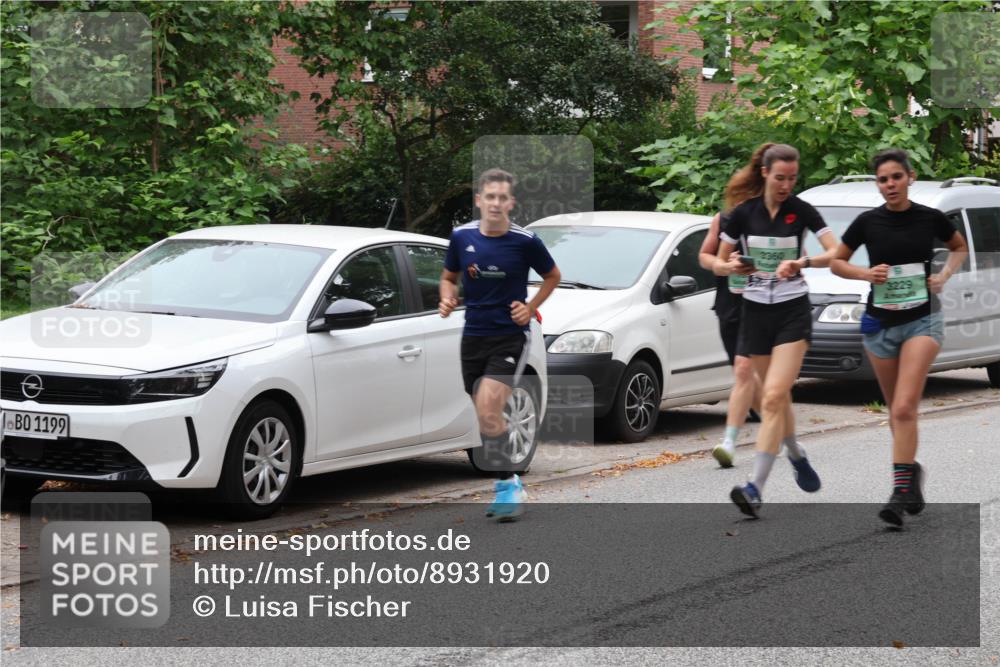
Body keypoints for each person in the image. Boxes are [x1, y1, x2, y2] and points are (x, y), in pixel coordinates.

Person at [829, 148, 968, 527]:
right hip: (880, 325)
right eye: (883, 180)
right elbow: (837, 262)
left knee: (905, 407)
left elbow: (959, 248)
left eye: (896, 177)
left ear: (910, 177)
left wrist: (943, 276)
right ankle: (911, 473)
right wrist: (865, 275)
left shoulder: (930, 218)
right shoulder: (867, 222)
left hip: (923, 320)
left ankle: (899, 491)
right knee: (896, 412)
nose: (890, 185)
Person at [715, 143, 839, 517]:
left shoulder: (801, 211)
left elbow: (836, 252)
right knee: (778, 400)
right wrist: (733, 265)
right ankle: (797, 453)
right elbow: (717, 260)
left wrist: (803, 261)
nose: (787, 185)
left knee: (771, 397)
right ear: (765, 173)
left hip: (792, 312)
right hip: (754, 312)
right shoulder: (743, 215)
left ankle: (755, 487)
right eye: (781, 178)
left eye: (793, 179)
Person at [439, 168, 561, 522]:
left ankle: (508, 484)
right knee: (483, 412)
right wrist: (447, 298)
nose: (495, 203)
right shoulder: (461, 237)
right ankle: (507, 480)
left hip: (510, 336)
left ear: (511, 203)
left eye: (501, 198)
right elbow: (449, 277)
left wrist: (531, 307)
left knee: (490, 406)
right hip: (473, 334)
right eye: (489, 197)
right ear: (479, 200)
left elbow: (553, 276)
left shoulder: (525, 241)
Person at [699, 143, 803, 469]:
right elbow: (706, 257)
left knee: (746, 371)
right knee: (751, 376)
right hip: (730, 302)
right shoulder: (727, 218)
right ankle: (783, 432)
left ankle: (730, 442)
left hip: (766, 303)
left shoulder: (788, 217)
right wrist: (727, 264)